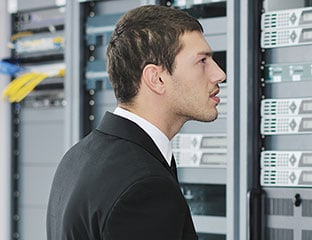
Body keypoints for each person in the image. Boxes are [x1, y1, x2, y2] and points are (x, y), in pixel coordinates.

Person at [46, 5, 226, 240]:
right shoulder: (145, 187)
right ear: (157, 78)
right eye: (202, 61)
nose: (219, 74)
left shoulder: (77, 158)